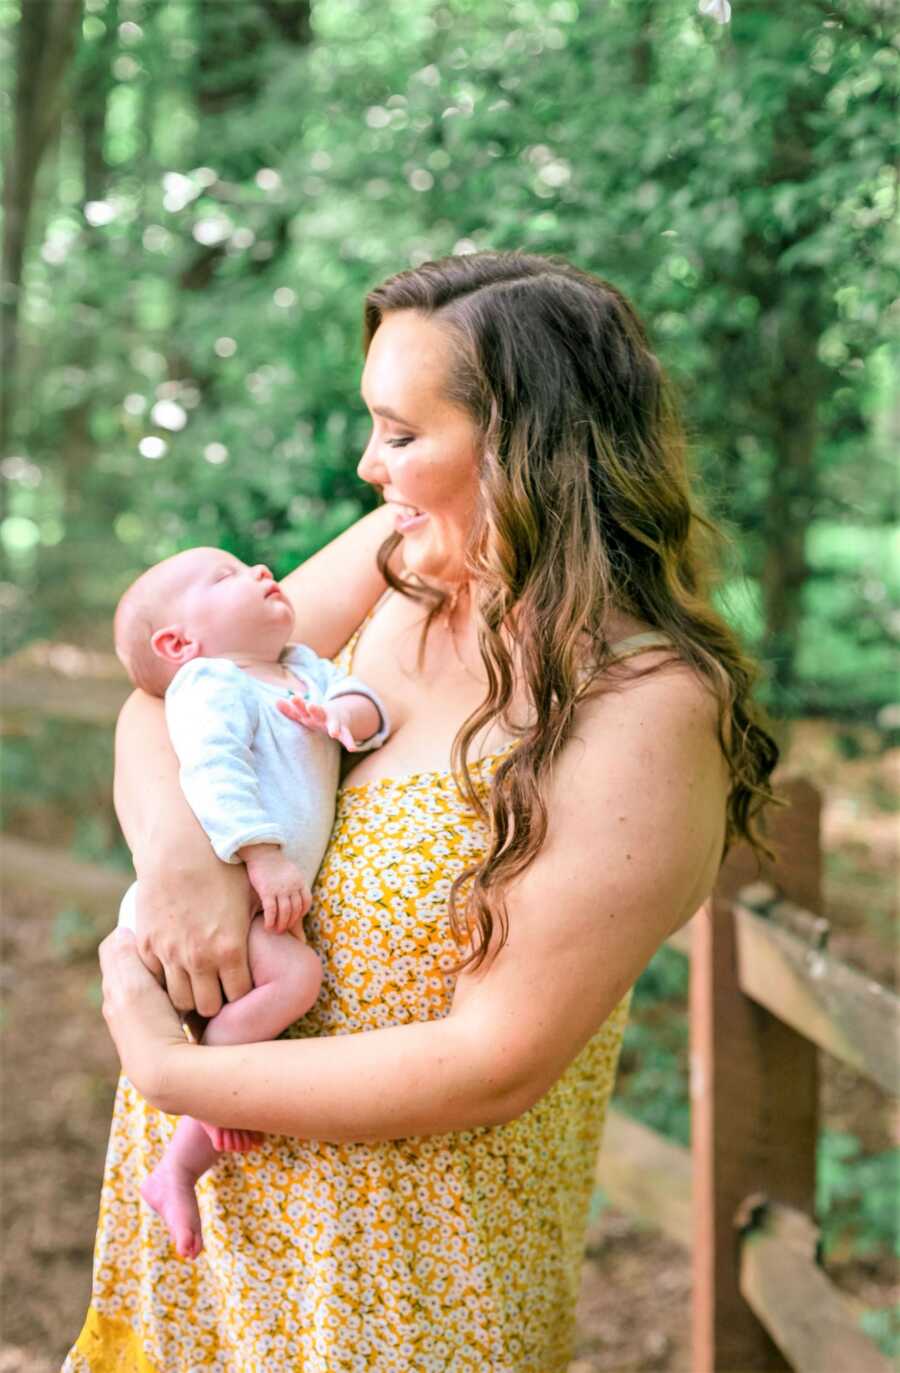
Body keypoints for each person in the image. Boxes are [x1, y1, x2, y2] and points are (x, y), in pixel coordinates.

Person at [65, 250, 780, 1373]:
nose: (367, 464)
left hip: (395, 1301)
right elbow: (168, 696)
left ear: (531, 453)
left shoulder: (644, 708)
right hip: (203, 1266)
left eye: (401, 434)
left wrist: (177, 1073)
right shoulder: (400, 559)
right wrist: (183, 863)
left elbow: (497, 1057)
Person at [111, 545, 391, 1261]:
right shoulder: (211, 680)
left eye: (250, 566)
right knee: (296, 978)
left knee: (264, 986)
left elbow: (369, 704)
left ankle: (176, 1167)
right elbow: (214, 770)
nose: (261, 572)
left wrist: (346, 718)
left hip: (246, 900)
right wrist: (262, 855)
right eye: (226, 577)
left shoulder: (298, 666)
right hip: (225, 889)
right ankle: (218, 1091)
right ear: (179, 643)